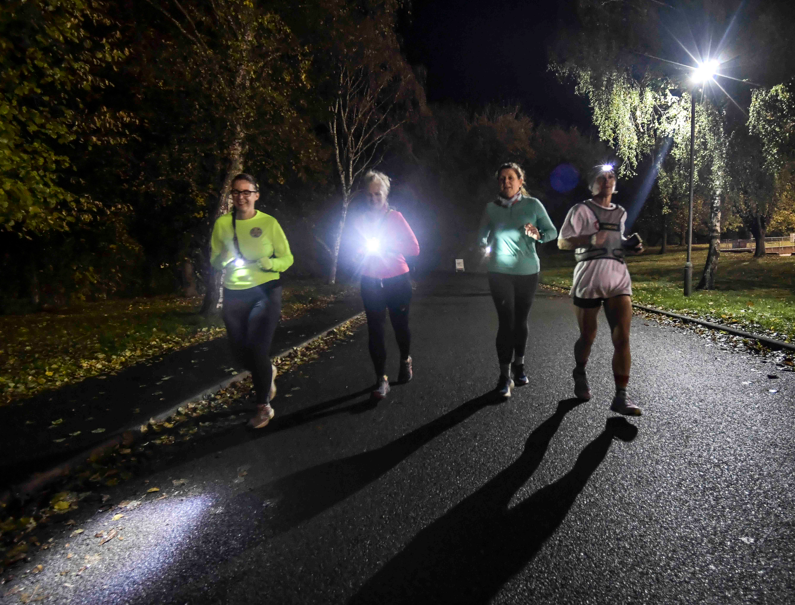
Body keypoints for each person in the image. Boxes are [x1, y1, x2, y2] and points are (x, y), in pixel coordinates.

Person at [557, 165, 643, 415]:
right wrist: (589, 240)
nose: (607, 180)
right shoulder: (580, 210)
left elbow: (616, 240)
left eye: (611, 177)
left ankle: (621, 397)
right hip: (588, 279)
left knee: (622, 338)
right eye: (601, 177)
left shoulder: (621, 213)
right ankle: (580, 371)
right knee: (588, 336)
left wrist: (630, 246)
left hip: (618, 279)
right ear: (591, 185)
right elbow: (562, 242)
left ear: (615, 185)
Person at [210, 173, 294, 428]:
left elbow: (287, 258)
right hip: (234, 292)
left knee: (257, 349)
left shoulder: (269, 223)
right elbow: (214, 262)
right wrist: (224, 256)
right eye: (236, 192)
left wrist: (272, 263)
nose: (241, 197)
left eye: (247, 192)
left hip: (266, 291)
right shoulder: (223, 224)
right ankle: (267, 372)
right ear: (231, 196)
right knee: (239, 352)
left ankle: (263, 408)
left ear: (256, 195)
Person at [477, 162, 558, 398]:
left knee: (521, 321)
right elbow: (481, 235)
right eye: (502, 178)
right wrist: (483, 243)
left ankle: (519, 365)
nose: (506, 182)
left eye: (511, 177)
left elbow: (552, 232)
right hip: (499, 271)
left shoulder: (533, 205)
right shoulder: (491, 208)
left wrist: (539, 234)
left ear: (520, 181)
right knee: (506, 321)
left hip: (528, 272)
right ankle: (504, 377)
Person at [354, 170, 420, 401]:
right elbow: (352, 249)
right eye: (369, 195)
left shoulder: (395, 217)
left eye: (378, 194)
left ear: (385, 194)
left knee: (400, 326)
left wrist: (391, 246)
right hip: (370, 281)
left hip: (397, 280)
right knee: (375, 329)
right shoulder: (360, 221)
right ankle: (381, 379)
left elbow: (415, 248)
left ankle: (405, 359)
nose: (373, 199)